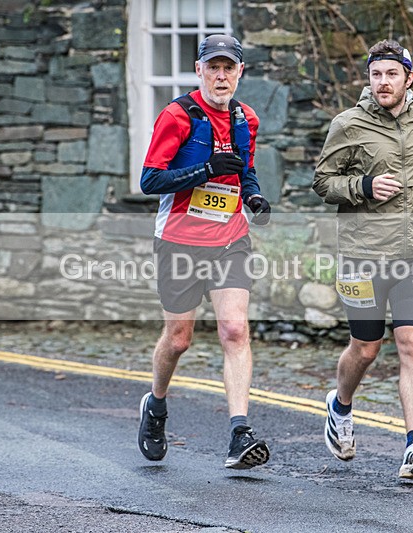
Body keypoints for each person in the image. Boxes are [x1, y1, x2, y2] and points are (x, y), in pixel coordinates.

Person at [312, 39, 413, 479]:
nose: (383, 82)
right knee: (366, 348)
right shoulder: (348, 124)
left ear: (409, 78)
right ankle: (340, 405)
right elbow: (322, 181)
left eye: (391, 74)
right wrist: (363, 186)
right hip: (363, 255)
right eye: (376, 74)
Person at [137, 34, 272, 470]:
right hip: (178, 241)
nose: (221, 76)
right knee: (179, 339)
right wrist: (205, 169)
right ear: (199, 70)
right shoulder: (178, 116)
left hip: (230, 240)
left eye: (228, 68)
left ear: (240, 72)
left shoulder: (246, 119)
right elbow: (150, 180)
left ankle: (239, 432)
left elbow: (245, 172)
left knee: (234, 329)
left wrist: (254, 198)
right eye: (213, 67)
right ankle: (156, 405)